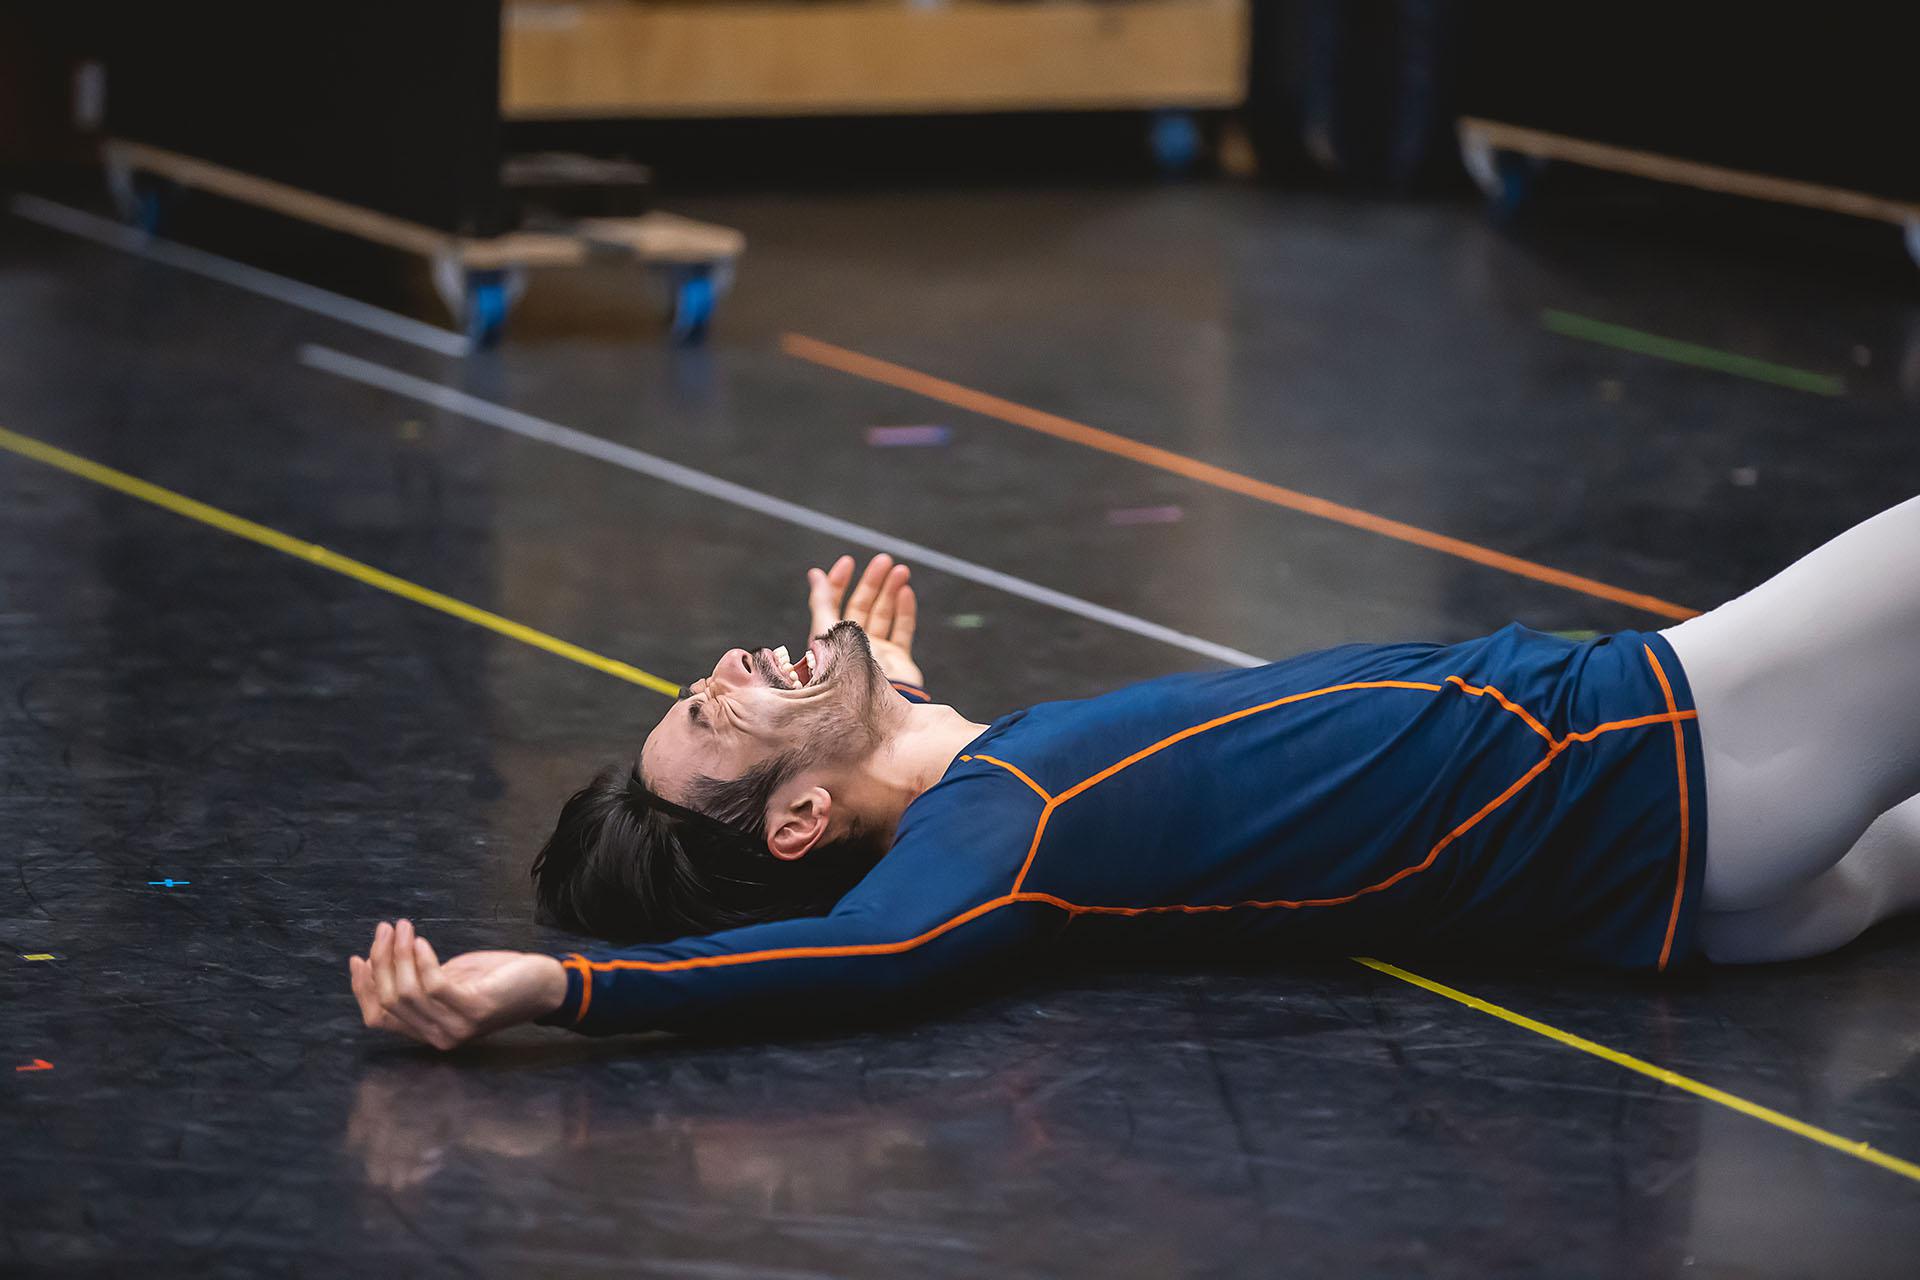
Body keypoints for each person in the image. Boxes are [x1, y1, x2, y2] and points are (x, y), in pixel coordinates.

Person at [349, 500, 1920, 1051]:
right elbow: (856, 950)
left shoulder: (989, 778)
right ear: (800, 821)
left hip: (1680, 883)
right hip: (1653, 755)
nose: (722, 669)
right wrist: (561, 988)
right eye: (711, 719)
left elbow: (993, 760)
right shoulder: (1000, 842)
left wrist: (873, 686)